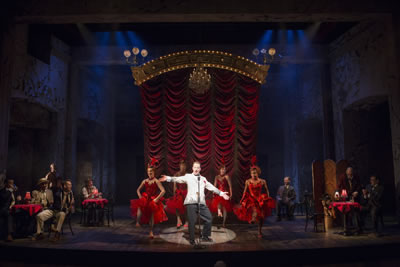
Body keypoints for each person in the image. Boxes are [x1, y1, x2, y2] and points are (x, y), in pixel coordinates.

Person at [160, 161, 230, 245]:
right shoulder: (188, 176)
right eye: (195, 167)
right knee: (192, 221)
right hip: (191, 202)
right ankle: (192, 239)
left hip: (201, 203)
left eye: (198, 167)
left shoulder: (203, 179)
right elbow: (177, 179)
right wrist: (167, 178)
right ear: (192, 168)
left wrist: (221, 193)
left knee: (209, 218)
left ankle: (205, 236)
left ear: (200, 169)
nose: (196, 169)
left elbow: (211, 187)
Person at [234, 164, 275, 238]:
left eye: (255, 173)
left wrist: (268, 197)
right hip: (251, 199)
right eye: (253, 173)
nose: (254, 174)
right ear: (250, 174)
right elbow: (244, 191)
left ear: (258, 173)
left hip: (260, 199)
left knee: (261, 217)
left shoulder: (262, 181)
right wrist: (242, 199)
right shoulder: (248, 181)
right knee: (254, 208)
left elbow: (266, 190)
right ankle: (253, 219)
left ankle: (259, 231)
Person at [131, 160, 167, 238]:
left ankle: (151, 231)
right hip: (146, 198)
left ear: (154, 172)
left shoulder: (156, 181)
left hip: (153, 199)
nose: (149, 173)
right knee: (140, 205)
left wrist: (157, 199)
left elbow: (163, 191)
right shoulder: (145, 181)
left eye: (151, 171)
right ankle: (138, 221)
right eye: (148, 171)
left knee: (151, 215)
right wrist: (140, 196)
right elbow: (138, 190)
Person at [338, 167, 362, 233]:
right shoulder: (342, 178)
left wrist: (356, 191)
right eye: (348, 174)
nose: (350, 176)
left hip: (355, 197)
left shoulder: (356, 177)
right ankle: (345, 228)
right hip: (345, 197)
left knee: (356, 210)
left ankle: (357, 228)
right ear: (346, 173)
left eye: (351, 175)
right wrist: (346, 194)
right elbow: (340, 188)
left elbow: (359, 186)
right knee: (345, 210)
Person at [165, 159, 188, 228]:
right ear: (179, 166)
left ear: (185, 167)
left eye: (184, 166)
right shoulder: (176, 174)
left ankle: (187, 221)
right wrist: (175, 193)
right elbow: (174, 187)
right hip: (179, 192)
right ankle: (178, 220)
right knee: (176, 202)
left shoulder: (187, 175)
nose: (183, 167)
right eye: (181, 166)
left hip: (186, 192)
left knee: (187, 206)